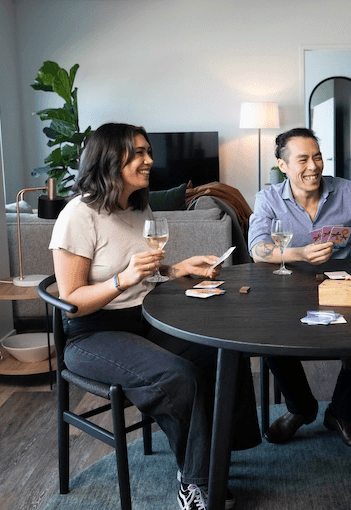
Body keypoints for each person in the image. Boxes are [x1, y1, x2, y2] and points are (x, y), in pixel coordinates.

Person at [50, 123, 260, 510]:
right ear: (110, 159)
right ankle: (194, 481)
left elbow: (145, 272)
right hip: (91, 334)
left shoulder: (135, 206)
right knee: (177, 376)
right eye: (139, 153)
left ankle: (216, 457)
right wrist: (122, 278)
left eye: (149, 151)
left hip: (144, 319)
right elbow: (73, 300)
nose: (150, 160)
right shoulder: (78, 215)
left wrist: (178, 269)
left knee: (222, 352)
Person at [248, 127, 351, 450]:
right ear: (283, 165)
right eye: (303, 159)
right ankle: (301, 408)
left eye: (317, 157)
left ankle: (341, 414)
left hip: (340, 289)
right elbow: (258, 250)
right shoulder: (268, 199)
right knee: (266, 335)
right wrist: (299, 254)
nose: (314, 166)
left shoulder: (346, 191)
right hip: (286, 290)